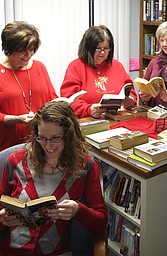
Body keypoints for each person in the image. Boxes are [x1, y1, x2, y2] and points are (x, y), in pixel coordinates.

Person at [0, 101, 107, 255]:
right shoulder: (16, 161)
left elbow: (100, 221)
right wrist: (2, 218)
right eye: (42, 138)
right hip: (12, 251)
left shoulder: (85, 166)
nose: (48, 146)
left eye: (56, 138)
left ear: (69, 136)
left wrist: (78, 210)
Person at [0, 21, 58, 151]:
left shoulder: (39, 67)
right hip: (9, 145)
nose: (28, 55)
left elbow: (52, 99)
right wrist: (16, 119)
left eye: (31, 49)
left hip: (42, 144)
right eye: (22, 50)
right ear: (8, 48)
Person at [60, 25, 137, 118]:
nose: (102, 52)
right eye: (98, 48)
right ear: (88, 48)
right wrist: (88, 109)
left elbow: (130, 90)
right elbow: (69, 99)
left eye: (106, 48)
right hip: (88, 120)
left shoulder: (117, 66)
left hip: (116, 118)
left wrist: (130, 100)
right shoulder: (76, 67)